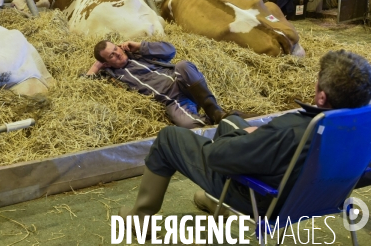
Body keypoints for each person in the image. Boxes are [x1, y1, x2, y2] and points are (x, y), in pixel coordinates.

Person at [119, 50, 371, 225]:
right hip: (316, 197)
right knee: (231, 121)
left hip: (263, 200)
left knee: (169, 138)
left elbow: (215, 157)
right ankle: (215, 201)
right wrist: (247, 133)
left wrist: (249, 136)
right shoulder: (362, 129)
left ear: (322, 97)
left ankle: (139, 217)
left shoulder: (290, 130)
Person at [86, 40, 231, 129]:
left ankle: (215, 111)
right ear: (106, 63)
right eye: (111, 55)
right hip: (172, 100)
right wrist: (96, 67)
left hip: (180, 81)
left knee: (183, 65)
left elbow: (170, 50)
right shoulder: (113, 76)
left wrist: (140, 45)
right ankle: (221, 123)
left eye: (115, 49)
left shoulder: (139, 54)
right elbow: (85, 86)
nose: (117, 54)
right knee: (188, 125)